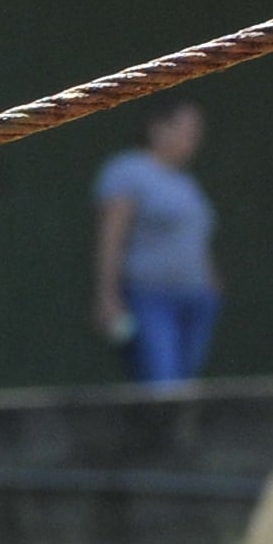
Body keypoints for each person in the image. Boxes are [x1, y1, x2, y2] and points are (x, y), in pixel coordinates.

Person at [91, 102, 219, 389]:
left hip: (196, 300)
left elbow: (195, 238)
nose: (192, 139)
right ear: (158, 128)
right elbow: (111, 238)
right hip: (148, 298)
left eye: (196, 132)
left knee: (184, 389)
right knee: (162, 388)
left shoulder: (187, 184)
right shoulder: (128, 170)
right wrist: (107, 296)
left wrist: (212, 287)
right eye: (185, 130)